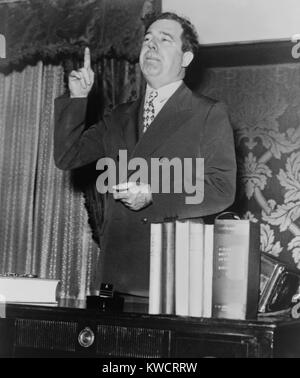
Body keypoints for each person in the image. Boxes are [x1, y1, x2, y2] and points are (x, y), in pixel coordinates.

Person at [54, 12, 237, 298]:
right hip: (115, 274)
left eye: (165, 40)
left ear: (186, 58)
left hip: (173, 273)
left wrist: (154, 194)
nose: (151, 46)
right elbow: (68, 157)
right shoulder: (119, 116)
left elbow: (222, 190)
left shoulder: (208, 113)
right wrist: (77, 98)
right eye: (147, 40)